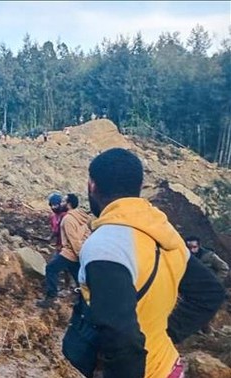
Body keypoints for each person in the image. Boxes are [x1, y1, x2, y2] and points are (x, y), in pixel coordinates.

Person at [63, 148, 224, 378]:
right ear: (139, 187)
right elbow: (209, 292)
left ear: (92, 186)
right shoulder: (166, 234)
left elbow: (123, 339)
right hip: (169, 367)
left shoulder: (104, 245)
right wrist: (164, 334)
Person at [37, 194, 90, 308]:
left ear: (69, 204)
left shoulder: (67, 219)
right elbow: (86, 235)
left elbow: (73, 240)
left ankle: (51, 298)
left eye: (63, 202)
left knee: (51, 269)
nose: (61, 204)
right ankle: (85, 302)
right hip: (76, 253)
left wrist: (79, 255)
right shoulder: (81, 217)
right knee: (79, 279)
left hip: (70, 253)